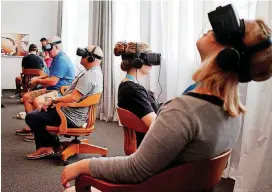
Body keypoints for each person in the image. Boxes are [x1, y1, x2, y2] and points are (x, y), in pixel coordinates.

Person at [61, 17, 272, 188]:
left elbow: (134, 170)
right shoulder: (232, 110)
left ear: (228, 55)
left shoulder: (185, 110)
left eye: (225, 31)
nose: (211, 28)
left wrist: (84, 165)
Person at [24, 45, 103, 159]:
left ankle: (46, 147)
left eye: (84, 55)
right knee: (40, 112)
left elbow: (73, 98)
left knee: (32, 117)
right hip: (72, 113)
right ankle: (54, 145)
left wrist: (53, 101)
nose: (81, 57)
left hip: (70, 117)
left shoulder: (90, 76)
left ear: (91, 59)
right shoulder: (94, 72)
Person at [15, 36, 75, 136]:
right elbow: (50, 75)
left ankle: (42, 134)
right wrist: (39, 78)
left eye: (49, 49)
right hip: (52, 89)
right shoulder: (56, 58)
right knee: (26, 97)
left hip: (60, 92)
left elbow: (53, 81)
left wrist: (37, 81)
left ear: (56, 47)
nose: (47, 52)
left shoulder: (62, 60)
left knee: (37, 101)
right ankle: (33, 127)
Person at [114, 41, 160, 147]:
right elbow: (155, 126)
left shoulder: (127, 85)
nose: (152, 64)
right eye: (149, 59)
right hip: (150, 146)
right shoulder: (134, 91)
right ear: (138, 61)